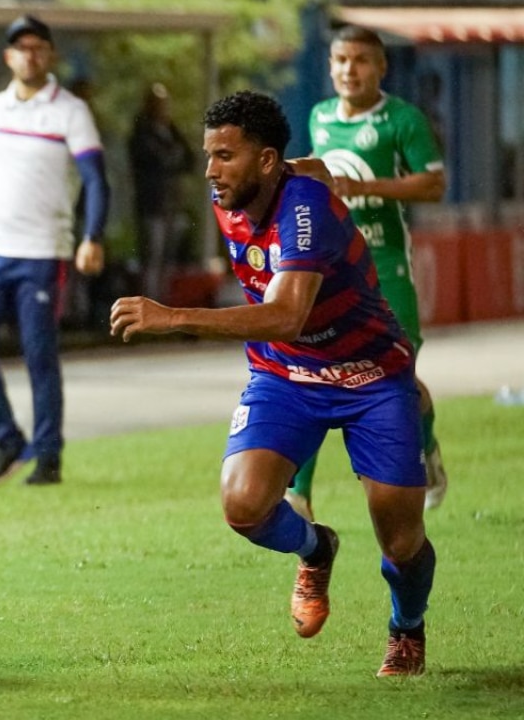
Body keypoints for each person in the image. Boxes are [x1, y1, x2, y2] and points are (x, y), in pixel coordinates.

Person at [110, 90, 435, 677]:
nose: (210, 170)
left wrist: (174, 315)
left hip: (370, 374)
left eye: (225, 156)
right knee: (242, 505)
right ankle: (317, 549)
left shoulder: (302, 209)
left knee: (400, 538)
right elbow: (307, 172)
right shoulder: (235, 191)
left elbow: (288, 314)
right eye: (209, 154)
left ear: (264, 161)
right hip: (284, 374)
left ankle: (406, 629)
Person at [0, 14, 109, 486]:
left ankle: (49, 452)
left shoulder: (70, 110)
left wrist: (92, 236)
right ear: (8, 56)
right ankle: (6, 437)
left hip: (42, 253)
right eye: (21, 47)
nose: (29, 55)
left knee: (39, 353)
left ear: (49, 55)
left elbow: (96, 179)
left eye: (38, 47)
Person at [290, 25, 449, 520]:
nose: (348, 71)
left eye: (360, 60)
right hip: (330, 269)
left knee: (397, 373)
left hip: (385, 266)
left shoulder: (402, 119)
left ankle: (426, 448)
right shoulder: (319, 116)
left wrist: (368, 189)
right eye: (340, 60)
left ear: (381, 67)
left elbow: (433, 184)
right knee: (310, 370)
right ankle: (298, 493)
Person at [128, 83, 194, 302]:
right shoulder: (141, 132)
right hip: (152, 205)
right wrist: (172, 156)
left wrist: (172, 156)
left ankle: (163, 300)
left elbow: (189, 159)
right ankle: (148, 302)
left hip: (173, 203)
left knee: (169, 257)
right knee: (152, 257)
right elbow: (157, 160)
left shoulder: (172, 130)